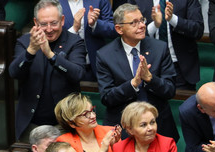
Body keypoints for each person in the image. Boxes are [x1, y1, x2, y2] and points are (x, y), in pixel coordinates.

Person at [96, 3, 179, 141]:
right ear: (119, 29)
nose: (141, 25)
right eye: (134, 22)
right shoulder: (105, 55)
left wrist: (150, 79)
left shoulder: (160, 48)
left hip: (159, 126)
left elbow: (170, 90)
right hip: (123, 128)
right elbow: (107, 97)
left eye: (142, 20)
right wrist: (133, 84)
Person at [8, 0, 86, 140]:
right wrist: (31, 51)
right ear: (36, 22)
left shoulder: (74, 42)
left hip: (65, 123)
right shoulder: (25, 42)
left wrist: (51, 55)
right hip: (31, 124)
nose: (49, 29)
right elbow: (14, 72)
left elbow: (78, 74)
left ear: (62, 20)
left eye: (54, 23)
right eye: (44, 24)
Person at [136, 0, 204, 90]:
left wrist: (173, 19)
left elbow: (198, 30)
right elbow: (130, 34)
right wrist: (155, 25)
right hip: (148, 66)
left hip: (180, 68)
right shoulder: (137, 1)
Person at [54, 93, 120, 152]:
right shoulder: (65, 142)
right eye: (86, 114)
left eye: (92, 110)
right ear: (72, 123)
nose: (93, 116)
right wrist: (102, 151)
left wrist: (116, 148)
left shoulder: (109, 132)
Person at [57, 0, 117, 80]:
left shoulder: (100, 1)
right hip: (65, 69)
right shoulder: (54, 2)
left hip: (97, 68)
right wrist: (74, 29)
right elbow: (50, 35)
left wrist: (95, 24)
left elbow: (114, 30)